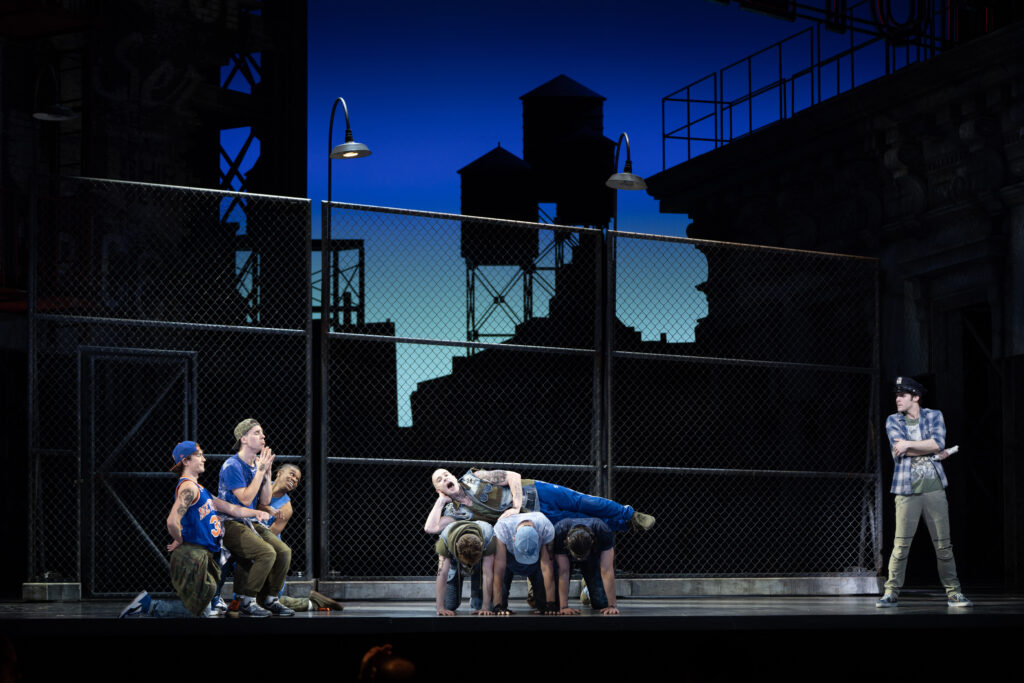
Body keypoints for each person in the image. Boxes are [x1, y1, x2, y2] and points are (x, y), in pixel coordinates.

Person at [119, 441, 271, 618]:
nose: (204, 459)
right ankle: (148, 606)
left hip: (204, 553)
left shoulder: (200, 489)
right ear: (185, 461)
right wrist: (181, 539)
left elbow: (231, 509)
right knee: (201, 613)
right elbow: (172, 521)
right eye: (199, 455)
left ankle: (149, 606)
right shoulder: (188, 488)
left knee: (203, 610)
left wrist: (256, 512)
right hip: (194, 555)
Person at [876, 376, 972, 608]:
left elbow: (938, 444)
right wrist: (921, 447)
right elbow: (899, 451)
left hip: (934, 489)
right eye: (896, 395)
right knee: (901, 546)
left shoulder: (934, 415)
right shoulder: (893, 420)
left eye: (902, 395)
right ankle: (891, 592)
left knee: (943, 546)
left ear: (915, 397)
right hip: (906, 491)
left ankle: (954, 592)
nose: (897, 399)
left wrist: (909, 444)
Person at [424, 468, 655, 535]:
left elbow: (512, 476)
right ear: (439, 489)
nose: (445, 479)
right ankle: (625, 525)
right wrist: (441, 502)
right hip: (534, 516)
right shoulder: (456, 511)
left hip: (535, 491)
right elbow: (431, 528)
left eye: (446, 474)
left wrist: (515, 506)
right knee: (580, 521)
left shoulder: (475, 477)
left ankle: (630, 514)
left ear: (453, 476)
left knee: (582, 502)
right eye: (440, 480)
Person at [217, 418, 293, 617]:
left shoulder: (256, 465)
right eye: (257, 433)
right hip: (230, 523)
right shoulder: (232, 465)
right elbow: (245, 499)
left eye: (262, 433)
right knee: (266, 553)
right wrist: (260, 471)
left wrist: (267, 475)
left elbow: (265, 500)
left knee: (284, 552)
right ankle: (247, 601)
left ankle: (271, 599)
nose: (263, 436)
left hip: (249, 522)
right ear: (243, 439)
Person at [259, 463, 343, 612]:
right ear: (279, 473)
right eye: (292, 474)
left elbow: (268, 536)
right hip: (248, 538)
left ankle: (312, 603)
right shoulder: (260, 486)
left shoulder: (286, 508)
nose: (294, 480)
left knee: (263, 602)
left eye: (297, 479)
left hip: (267, 550)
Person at [491, 511, 557, 615]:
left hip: (536, 561)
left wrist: (550, 603)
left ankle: (544, 604)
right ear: (513, 538)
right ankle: (501, 605)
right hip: (509, 558)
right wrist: (497, 606)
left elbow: (547, 567)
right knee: (498, 604)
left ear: (539, 538)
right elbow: (499, 569)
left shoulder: (545, 527)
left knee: (545, 606)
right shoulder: (502, 528)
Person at [552, 517, 619, 615]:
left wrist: (612, 605)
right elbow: (563, 571)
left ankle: (587, 589)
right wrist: (564, 607)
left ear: (592, 541)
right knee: (555, 605)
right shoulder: (560, 530)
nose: (579, 559)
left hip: (592, 557)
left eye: (581, 556)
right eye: (577, 556)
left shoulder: (602, 530)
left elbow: (607, 569)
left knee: (601, 603)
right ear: (568, 539)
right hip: (566, 555)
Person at [434, 519, 495, 616]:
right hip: (456, 563)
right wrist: (440, 608)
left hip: (479, 565)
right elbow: (442, 573)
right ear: (456, 545)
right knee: (449, 606)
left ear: (481, 544)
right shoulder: (445, 538)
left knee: (481, 606)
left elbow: (488, 574)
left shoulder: (487, 535)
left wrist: (485, 607)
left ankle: (476, 598)